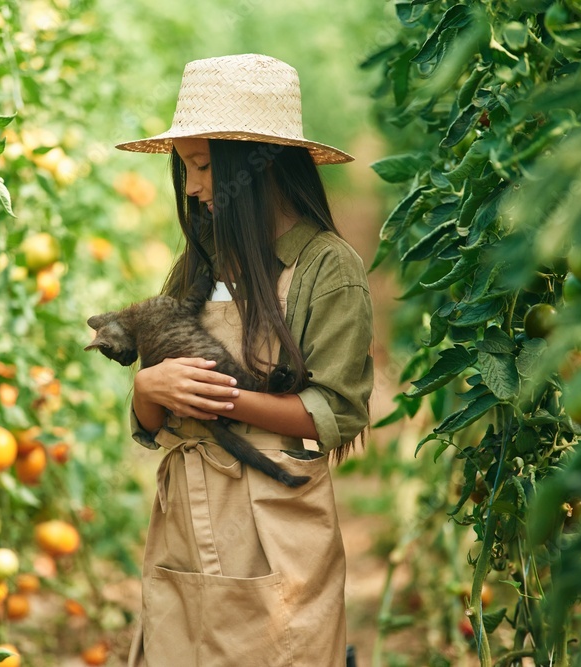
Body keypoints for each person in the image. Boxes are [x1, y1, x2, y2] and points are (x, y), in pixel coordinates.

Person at [115, 53, 374, 666]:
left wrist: (219, 399)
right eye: (186, 168)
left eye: (204, 165)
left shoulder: (327, 269)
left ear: (254, 167)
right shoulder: (199, 265)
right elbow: (152, 419)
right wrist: (150, 387)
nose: (195, 185)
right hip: (184, 511)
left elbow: (336, 411)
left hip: (271, 518)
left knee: (276, 647)